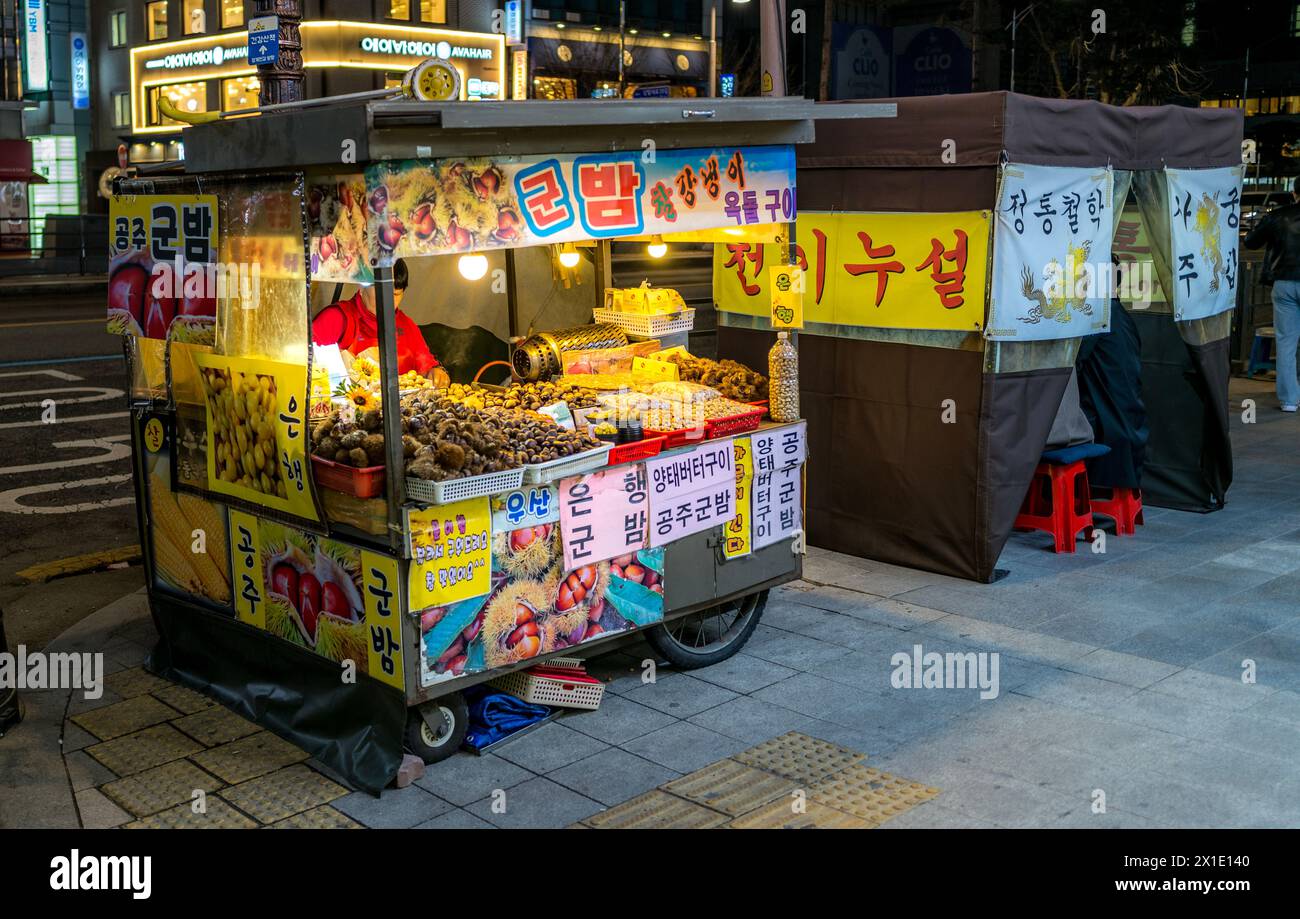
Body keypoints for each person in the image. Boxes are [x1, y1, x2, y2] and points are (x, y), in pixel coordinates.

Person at [312, 259, 450, 387]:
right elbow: (308, 367)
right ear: (362, 286)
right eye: (381, 292)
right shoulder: (336, 319)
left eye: (396, 295)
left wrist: (436, 373)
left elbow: (426, 365)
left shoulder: (406, 326)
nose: (388, 301)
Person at [1244, 177, 1300, 412]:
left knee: (1286, 342)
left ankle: (1289, 400)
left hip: (1284, 283)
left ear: (1294, 193)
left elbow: (1250, 242)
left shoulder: (1279, 215)